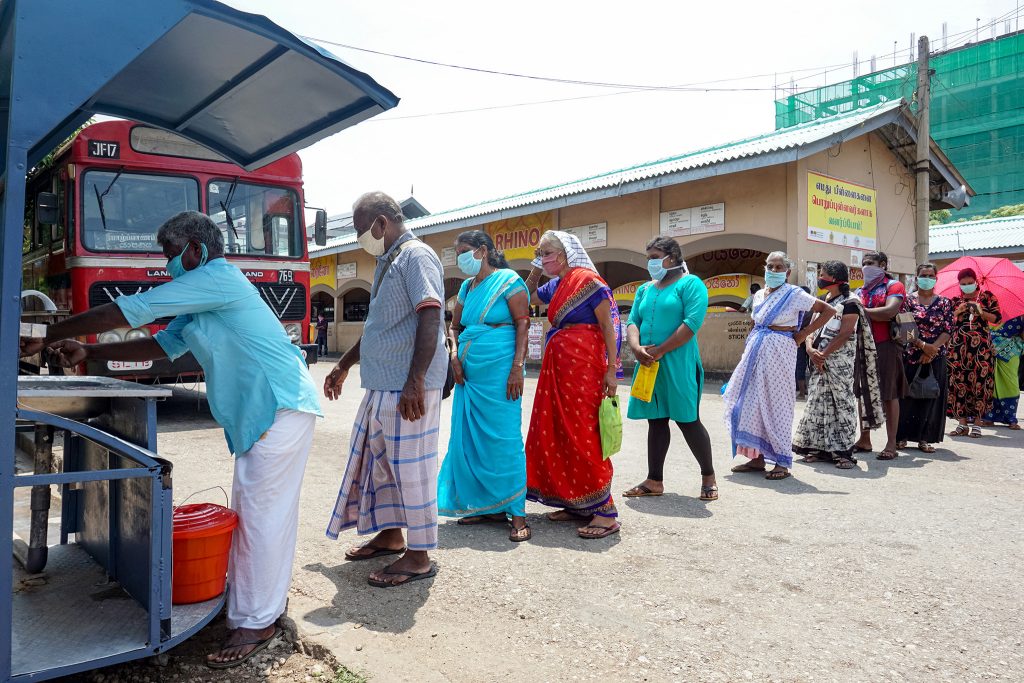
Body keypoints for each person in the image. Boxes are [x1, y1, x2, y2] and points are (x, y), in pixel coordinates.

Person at [23, 211, 322, 668]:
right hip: (260, 413)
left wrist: (47, 331)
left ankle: (258, 620)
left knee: (263, 520)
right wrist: (92, 351)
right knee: (256, 516)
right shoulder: (201, 296)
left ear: (196, 251)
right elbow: (162, 345)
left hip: (280, 405)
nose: (167, 265)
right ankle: (251, 607)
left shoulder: (219, 278)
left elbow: (132, 309)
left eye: (170, 255)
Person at [324, 192, 447, 586]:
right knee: (382, 465)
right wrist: (343, 365)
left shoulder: (416, 256)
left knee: (412, 469)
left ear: (381, 222)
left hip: (407, 386)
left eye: (363, 230)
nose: (362, 237)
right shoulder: (388, 260)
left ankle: (419, 554)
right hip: (383, 384)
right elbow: (379, 327)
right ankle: (393, 535)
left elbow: (431, 315)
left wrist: (415, 381)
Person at [524, 230, 623, 539]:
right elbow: (527, 296)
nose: (544, 257)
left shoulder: (589, 281)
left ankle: (604, 512)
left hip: (585, 365)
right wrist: (536, 266)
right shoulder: (556, 285)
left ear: (565, 254)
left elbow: (608, 326)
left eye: (548, 252)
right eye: (541, 253)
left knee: (583, 431)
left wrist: (611, 372)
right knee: (558, 430)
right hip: (559, 367)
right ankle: (575, 501)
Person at [437, 230, 531, 542]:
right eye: (457, 252)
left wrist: (518, 368)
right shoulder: (466, 286)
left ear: (483, 251)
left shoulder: (508, 280)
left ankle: (517, 514)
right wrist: (453, 356)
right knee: (471, 439)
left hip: (502, 370)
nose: (460, 257)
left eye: (464, 251)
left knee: (504, 438)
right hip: (469, 373)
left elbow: (522, 324)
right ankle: (487, 506)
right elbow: (454, 325)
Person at [622, 237, 717, 501]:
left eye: (655, 256)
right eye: (648, 256)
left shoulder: (690, 284)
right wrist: (636, 347)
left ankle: (708, 477)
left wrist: (660, 350)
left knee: (687, 419)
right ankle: (654, 480)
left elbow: (692, 323)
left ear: (672, 257)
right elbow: (633, 320)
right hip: (648, 363)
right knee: (656, 419)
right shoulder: (645, 289)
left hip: (679, 362)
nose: (651, 261)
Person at [724, 251, 833, 480]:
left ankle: (782, 462)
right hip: (757, 350)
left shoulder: (793, 294)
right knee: (751, 402)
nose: (773, 271)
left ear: (787, 272)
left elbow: (828, 311)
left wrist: (802, 335)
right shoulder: (760, 295)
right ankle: (757, 458)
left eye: (778, 267)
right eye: (770, 266)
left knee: (777, 403)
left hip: (781, 350)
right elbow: (756, 322)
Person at [792, 261, 884, 469]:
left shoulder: (851, 301)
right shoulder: (825, 299)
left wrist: (823, 354)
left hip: (838, 361)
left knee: (840, 403)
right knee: (818, 402)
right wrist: (809, 348)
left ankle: (842, 451)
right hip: (817, 359)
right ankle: (819, 448)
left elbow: (846, 333)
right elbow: (812, 328)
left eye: (823, 274)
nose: (820, 277)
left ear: (833, 278)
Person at [852, 251, 907, 460]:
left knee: (889, 394)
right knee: (862, 392)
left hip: (886, 345)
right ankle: (864, 439)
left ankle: (891, 443)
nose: (866, 267)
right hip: (862, 345)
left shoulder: (893, 286)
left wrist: (860, 310)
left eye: (871, 263)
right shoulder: (861, 290)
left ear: (883, 264)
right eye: (864, 263)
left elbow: (890, 311)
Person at [895, 264, 954, 452]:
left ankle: (925, 439)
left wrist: (932, 350)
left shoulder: (945, 303)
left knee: (931, 397)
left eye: (930, 275)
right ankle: (901, 437)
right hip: (911, 355)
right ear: (916, 277)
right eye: (923, 275)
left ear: (936, 278)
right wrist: (922, 346)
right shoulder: (907, 301)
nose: (926, 278)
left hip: (936, 357)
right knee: (907, 398)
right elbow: (905, 327)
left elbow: (948, 330)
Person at [947, 268, 1002, 437]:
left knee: (981, 383)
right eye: (963, 284)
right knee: (958, 383)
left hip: (981, 350)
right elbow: (946, 320)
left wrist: (980, 311)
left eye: (970, 283)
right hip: (957, 350)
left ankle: (978, 423)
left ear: (976, 281)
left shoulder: (987, 297)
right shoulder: (955, 300)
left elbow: (997, 319)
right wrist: (958, 311)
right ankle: (962, 424)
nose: (967, 286)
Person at [980, 316, 1024, 429]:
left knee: (1011, 384)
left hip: (1011, 352)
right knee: (990, 383)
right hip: (989, 349)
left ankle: (1011, 418)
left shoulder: (1020, 312)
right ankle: (988, 417)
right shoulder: (989, 310)